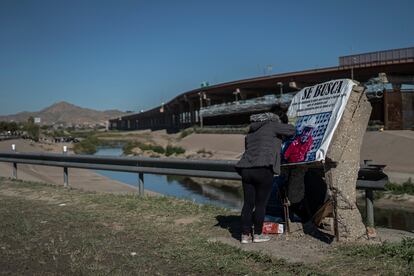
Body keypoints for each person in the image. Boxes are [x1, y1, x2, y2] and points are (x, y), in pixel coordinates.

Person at [235, 109, 295, 243]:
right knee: (261, 204)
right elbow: (291, 130)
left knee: (248, 203)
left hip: (246, 169)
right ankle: (257, 234)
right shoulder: (272, 125)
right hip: (263, 169)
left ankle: (245, 235)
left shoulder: (251, 132)